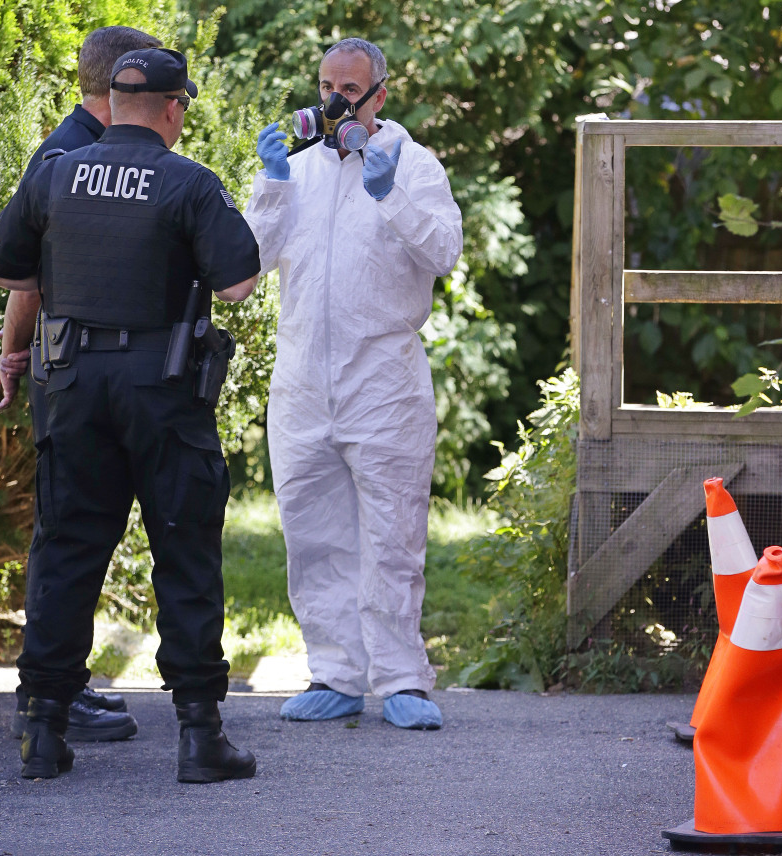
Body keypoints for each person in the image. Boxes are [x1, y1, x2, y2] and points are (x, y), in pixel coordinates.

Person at [0, 47, 261, 783]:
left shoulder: (55, 171)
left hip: (70, 385)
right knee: (184, 551)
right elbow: (238, 287)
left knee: (67, 551)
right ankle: (200, 737)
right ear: (174, 107)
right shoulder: (189, 181)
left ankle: (42, 729)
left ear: (111, 101)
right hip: (161, 391)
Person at [244, 37, 463, 730]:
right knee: (313, 533)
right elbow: (246, 265)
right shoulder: (299, 170)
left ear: (380, 95)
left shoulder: (415, 166)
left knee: (392, 533)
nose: (335, 100)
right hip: (303, 378)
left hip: (383, 380)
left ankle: (401, 678)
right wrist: (272, 184)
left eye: (350, 89)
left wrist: (388, 189)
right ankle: (335, 672)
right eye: (326, 85)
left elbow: (444, 252)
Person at [0, 26, 162, 745]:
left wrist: (11, 354)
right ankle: (51, 692)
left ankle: (60, 687)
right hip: (74, 369)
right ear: (125, 83)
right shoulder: (72, 155)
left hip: (72, 369)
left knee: (75, 531)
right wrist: (13, 352)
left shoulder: (73, 146)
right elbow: (24, 273)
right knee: (69, 533)